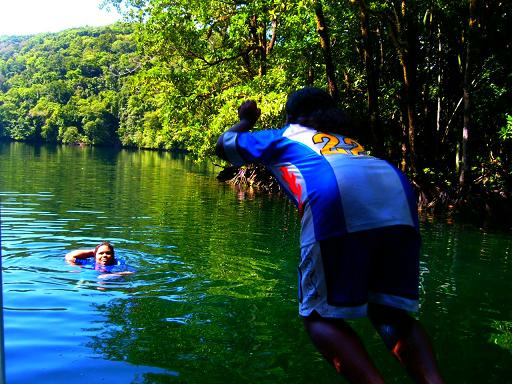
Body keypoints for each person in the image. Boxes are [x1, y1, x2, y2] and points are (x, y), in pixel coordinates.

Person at [215, 87, 444, 383]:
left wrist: (246, 119)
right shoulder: (348, 142)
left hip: (337, 191)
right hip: (396, 192)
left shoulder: (286, 135)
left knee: (317, 316)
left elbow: (224, 144)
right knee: (390, 313)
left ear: (291, 116)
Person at [65, 242, 133, 276]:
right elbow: (69, 256)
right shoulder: (90, 263)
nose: (104, 255)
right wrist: (92, 252)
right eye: (101, 253)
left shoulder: (118, 263)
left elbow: (133, 271)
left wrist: (112, 275)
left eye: (108, 253)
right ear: (95, 255)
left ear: (113, 255)